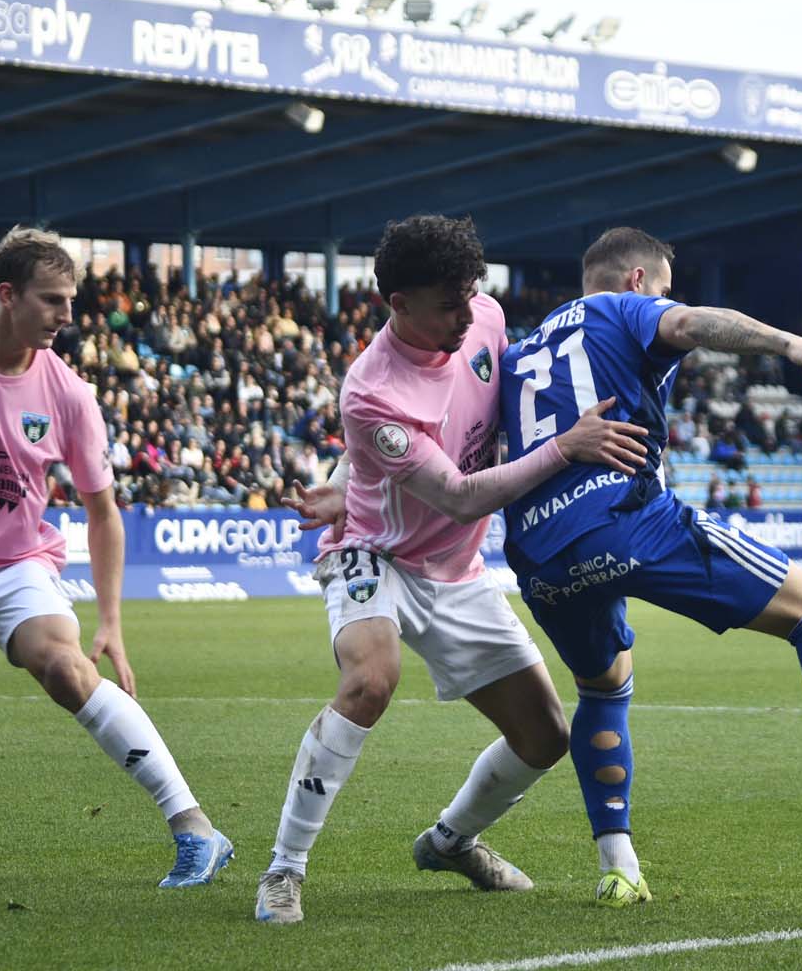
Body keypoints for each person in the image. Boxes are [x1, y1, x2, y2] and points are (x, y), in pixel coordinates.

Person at [498, 227, 802, 907]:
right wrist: (792, 345)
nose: (667, 299)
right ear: (638, 279)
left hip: (540, 556)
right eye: (663, 288)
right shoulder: (623, 308)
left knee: (604, 690)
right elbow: (695, 324)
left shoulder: (522, 349)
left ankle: (619, 868)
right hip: (624, 519)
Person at [255, 216, 648, 925]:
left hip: (456, 569)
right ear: (397, 304)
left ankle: (450, 841)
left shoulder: (485, 318)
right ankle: (284, 871)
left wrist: (349, 473)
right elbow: (461, 493)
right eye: (448, 304)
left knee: (545, 737)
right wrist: (569, 447)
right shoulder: (371, 389)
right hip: (373, 553)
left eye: (472, 294)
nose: (468, 316)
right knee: (371, 680)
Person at [0, 226, 230, 887]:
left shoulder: (69, 394)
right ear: (6, 295)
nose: (67, 316)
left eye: (71, 300)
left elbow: (103, 513)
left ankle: (197, 831)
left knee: (69, 670)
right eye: (52, 300)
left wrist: (111, 624)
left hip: (17, 566)